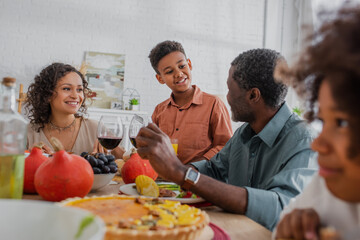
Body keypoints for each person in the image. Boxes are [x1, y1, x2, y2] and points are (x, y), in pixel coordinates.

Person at [136, 48, 318, 230]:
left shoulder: (305, 140)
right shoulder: (244, 133)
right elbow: (213, 169)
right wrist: (175, 168)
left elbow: (282, 207)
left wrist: (181, 173)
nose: (227, 97)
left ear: (253, 95)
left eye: (230, 90)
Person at [274, 5, 360, 240]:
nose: (318, 145)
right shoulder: (327, 185)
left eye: (342, 123)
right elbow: (281, 227)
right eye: (323, 120)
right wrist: (287, 230)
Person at [148, 40, 233, 164]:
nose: (178, 74)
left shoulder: (214, 104)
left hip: (200, 180)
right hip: (164, 180)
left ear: (189, 64)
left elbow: (225, 146)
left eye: (182, 66)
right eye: (169, 71)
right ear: (160, 78)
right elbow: (152, 146)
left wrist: (195, 167)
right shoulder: (159, 110)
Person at [26, 62, 124, 157]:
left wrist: (105, 157)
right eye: (67, 89)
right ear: (48, 94)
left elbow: (126, 160)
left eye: (79, 89)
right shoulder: (29, 132)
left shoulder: (95, 129)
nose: (75, 96)